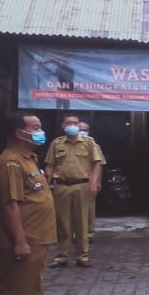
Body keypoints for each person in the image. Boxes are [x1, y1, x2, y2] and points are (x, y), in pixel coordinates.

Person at [0, 112, 57, 295]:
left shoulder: (28, 160)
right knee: (16, 294)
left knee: (29, 293)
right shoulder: (10, 163)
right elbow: (10, 206)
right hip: (24, 240)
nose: (41, 131)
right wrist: (20, 241)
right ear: (21, 133)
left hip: (37, 238)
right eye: (36, 127)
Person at [45, 114, 104, 268]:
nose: (71, 124)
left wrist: (94, 182)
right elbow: (50, 165)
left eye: (75, 122)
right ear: (63, 126)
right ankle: (62, 256)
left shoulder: (89, 143)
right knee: (63, 223)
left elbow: (97, 164)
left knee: (81, 222)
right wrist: (46, 185)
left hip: (82, 185)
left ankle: (82, 256)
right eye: (68, 122)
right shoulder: (56, 144)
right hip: (62, 186)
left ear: (79, 126)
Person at [77, 120, 100, 237]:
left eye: (85, 130)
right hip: (71, 182)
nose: (82, 132)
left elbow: (98, 164)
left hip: (89, 181)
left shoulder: (93, 145)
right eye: (80, 129)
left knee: (89, 209)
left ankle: (89, 233)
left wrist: (97, 182)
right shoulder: (60, 143)